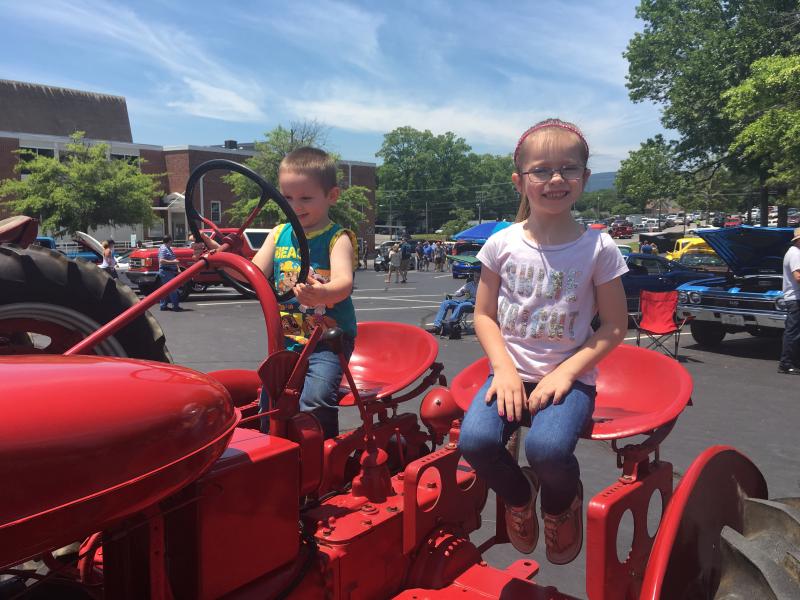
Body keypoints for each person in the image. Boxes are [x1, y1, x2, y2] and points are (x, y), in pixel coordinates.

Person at [458, 119, 628, 564]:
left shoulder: (599, 248)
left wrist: (566, 374)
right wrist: (503, 370)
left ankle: (559, 503)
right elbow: (483, 316)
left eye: (568, 168)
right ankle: (520, 495)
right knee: (475, 442)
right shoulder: (501, 244)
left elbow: (614, 325)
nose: (556, 179)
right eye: (541, 170)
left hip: (568, 378)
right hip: (510, 373)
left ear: (584, 178)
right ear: (520, 181)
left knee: (547, 450)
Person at [201, 147, 357, 439]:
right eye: (287, 198)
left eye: (305, 198)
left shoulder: (337, 238)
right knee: (269, 402)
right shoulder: (278, 234)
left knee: (315, 399)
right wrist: (222, 258)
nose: (295, 206)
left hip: (326, 342)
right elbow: (254, 275)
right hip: (288, 339)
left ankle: (323, 453)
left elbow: (344, 283)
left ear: (332, 195)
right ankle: (276, 451)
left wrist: (322, 294)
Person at [426, 271, 480, 335]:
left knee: (461, 305)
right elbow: (458, 292)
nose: (476, 278)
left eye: (478, 277)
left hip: (474, 304)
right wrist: (458, 293)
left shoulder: (484, 286)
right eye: (475, 277)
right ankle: (437, 327)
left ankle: (449, 325)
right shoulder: (469, 284)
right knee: (446, 302)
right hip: (466, 301)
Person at [778, 227, 800, 375]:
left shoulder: (793, 252)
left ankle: (792, 361)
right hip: (796, 298)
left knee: (794, 331)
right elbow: (798, 277)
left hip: (794, 298)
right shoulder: (796, 254)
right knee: (793, 333)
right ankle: (786, 363)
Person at [157, 235, 183, 311]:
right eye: (171, 240)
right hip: (165, 271)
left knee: (166, 290)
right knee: (172, 288)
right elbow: (161, 261)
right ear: (169, 241)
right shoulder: (163, 249)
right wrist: (173, 262)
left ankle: (163, 306)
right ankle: (175, 306)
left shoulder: (169, 249)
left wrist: (178, 268)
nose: (172, 242)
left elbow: (174, 259)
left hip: (169, 271)